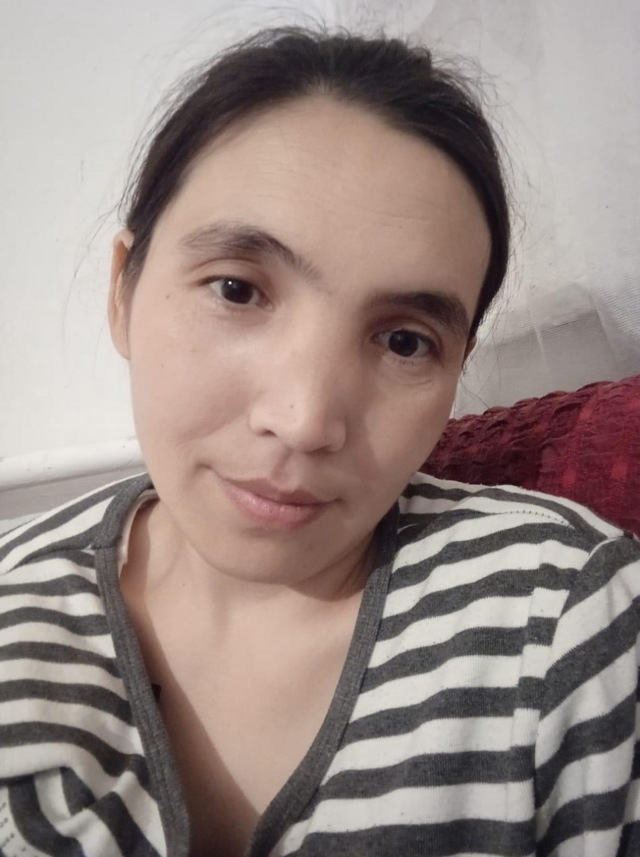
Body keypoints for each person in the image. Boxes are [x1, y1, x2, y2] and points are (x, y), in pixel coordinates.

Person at [0, 23, 638, 857]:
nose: (304, 421)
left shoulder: (565, 623)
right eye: (237, 290)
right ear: (124, 289)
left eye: (405, 340)